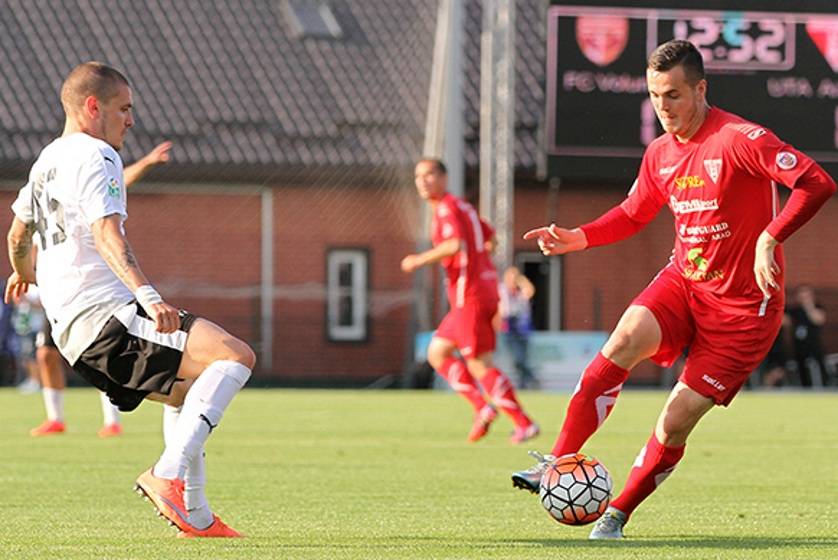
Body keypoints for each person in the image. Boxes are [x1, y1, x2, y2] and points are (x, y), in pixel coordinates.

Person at [511, 40, 836, 539]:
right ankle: (556, 461)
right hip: (685, 282)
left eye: (674, 95)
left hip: (744, 313)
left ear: (700, 89)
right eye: (655, 96)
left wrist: (771, 236)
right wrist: (580, 237)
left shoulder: (739, 138)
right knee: (622, 341)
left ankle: (616, 514)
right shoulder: (660, 152)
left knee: (674, 423)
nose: (663, 107)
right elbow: (634, 212)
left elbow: (816, 182)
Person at [5, 61, 255, 538]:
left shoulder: (45, 162)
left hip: (74, 335)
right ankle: (167, 475)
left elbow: (18, 234)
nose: (132, 120)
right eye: (124, 108)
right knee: (235, 356)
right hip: (106, 316)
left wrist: (22, 274)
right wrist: (149, 295)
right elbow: (106, 234)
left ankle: (197, 516)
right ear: (92, 107)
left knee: (189, 390)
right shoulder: (96, 156)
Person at [30, 141, 173, 437]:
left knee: (102, 352)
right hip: (57, 294)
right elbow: (20, 236)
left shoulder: (88, 177)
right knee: (46, 354)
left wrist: (145, 162)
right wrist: (25, 275)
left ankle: (112, 421)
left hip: (93, 290)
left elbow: (115, 184)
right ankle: (55, 417)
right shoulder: (40, 191)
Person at [401, 158, 539, 444]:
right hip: (482, 290)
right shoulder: (463, 206)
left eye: (429, 175)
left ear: (443, 177)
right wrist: (480, 263)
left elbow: (454, 245)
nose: (423, 181)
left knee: (479, 364)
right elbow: (490, 239)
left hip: (471, 296)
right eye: (418, 176)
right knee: (437, 352)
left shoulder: (446, 208)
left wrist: (418, 260)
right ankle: (482, 408)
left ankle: (523, 423)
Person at [498, 266, 540, 389]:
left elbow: (530, 290)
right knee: (516, 359)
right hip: (508, 327)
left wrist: (520, 280)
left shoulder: (521, 292)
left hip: (522, 328)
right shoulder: (503, 290)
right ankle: (530, 379)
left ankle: (526, 381)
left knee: (522, 358)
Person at [787, 284, 829, 387]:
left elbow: (819, 320)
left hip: (814, 346)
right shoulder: (794, 310)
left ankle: (823, 385)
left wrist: (809, 306)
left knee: (818, 367)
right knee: (801, 370)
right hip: (799, 347)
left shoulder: (817, 307)